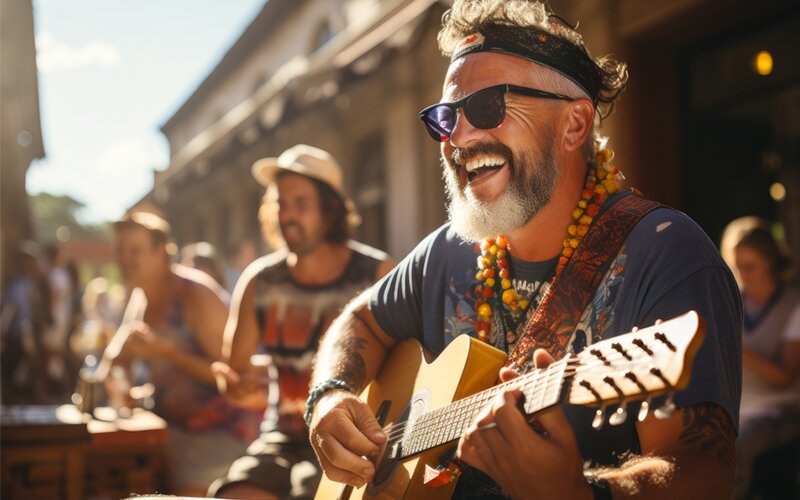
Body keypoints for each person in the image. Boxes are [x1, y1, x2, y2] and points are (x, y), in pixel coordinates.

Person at [306, 1, 742, 498]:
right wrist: (330, 395)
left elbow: (703, 472)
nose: (460, 137)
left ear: (574, 126)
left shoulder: (666, 254)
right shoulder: (449, 251)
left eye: (488, 106)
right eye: (447, 118)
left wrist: (579, 493)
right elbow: (358, 319)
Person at [207, 144, 395, 499]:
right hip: (280, 437)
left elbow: (406, 362)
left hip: (351, 437)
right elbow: (238, 373)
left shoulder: (378, 273)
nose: (287, 215)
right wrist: (236, 387)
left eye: (301, 203)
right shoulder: (258, 281)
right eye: (280, 203)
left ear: (329, 211)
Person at [109, 210, 262, 496]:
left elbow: (234, 376)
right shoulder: (140, 297)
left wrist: (171, 354)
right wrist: (124, 382)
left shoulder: (195, 294)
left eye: (135, 250)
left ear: (162, 253)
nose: (125, 259)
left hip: (219, 434)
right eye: (120, 250)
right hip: (171, 430)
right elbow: (116, 360)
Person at [723, 218, 800, 498]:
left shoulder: (794, 304)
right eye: (739, 266)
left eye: (751, 266)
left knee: (735, 442)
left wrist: (734, 345)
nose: (743, 274)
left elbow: (783, 377)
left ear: (770, 262)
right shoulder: (733, 302)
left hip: (779, 410)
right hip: (738, 406)